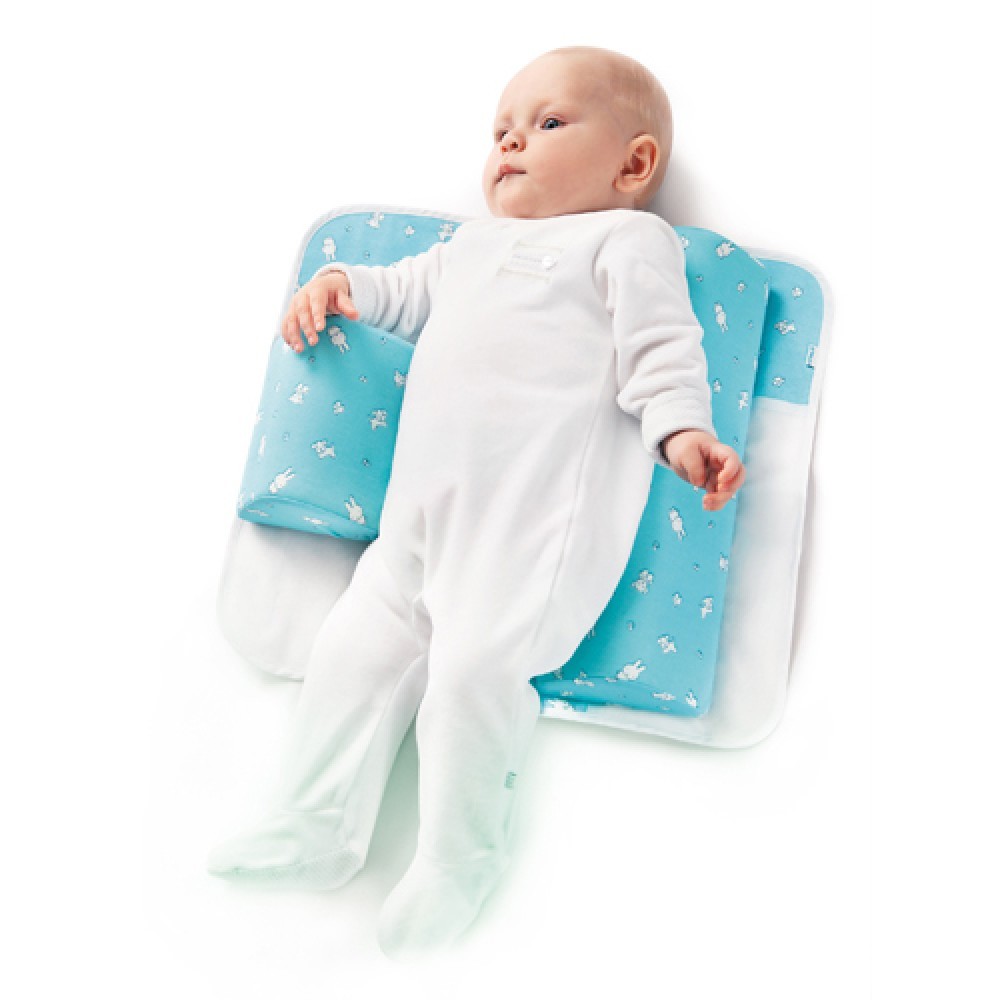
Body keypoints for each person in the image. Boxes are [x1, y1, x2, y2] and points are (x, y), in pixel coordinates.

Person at [208, 45, 746, 957]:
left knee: (470, 676)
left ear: (633, 164)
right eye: (500, 130)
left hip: (533, 531)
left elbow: (663, 348)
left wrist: (682, 432)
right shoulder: (470, 246)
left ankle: (459, 856)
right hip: (417, 520)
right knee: (352, 649)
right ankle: (314, 820)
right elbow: (401, 293)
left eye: (547, 123)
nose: (509, 143)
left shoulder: (625, 242)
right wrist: (343, 286)